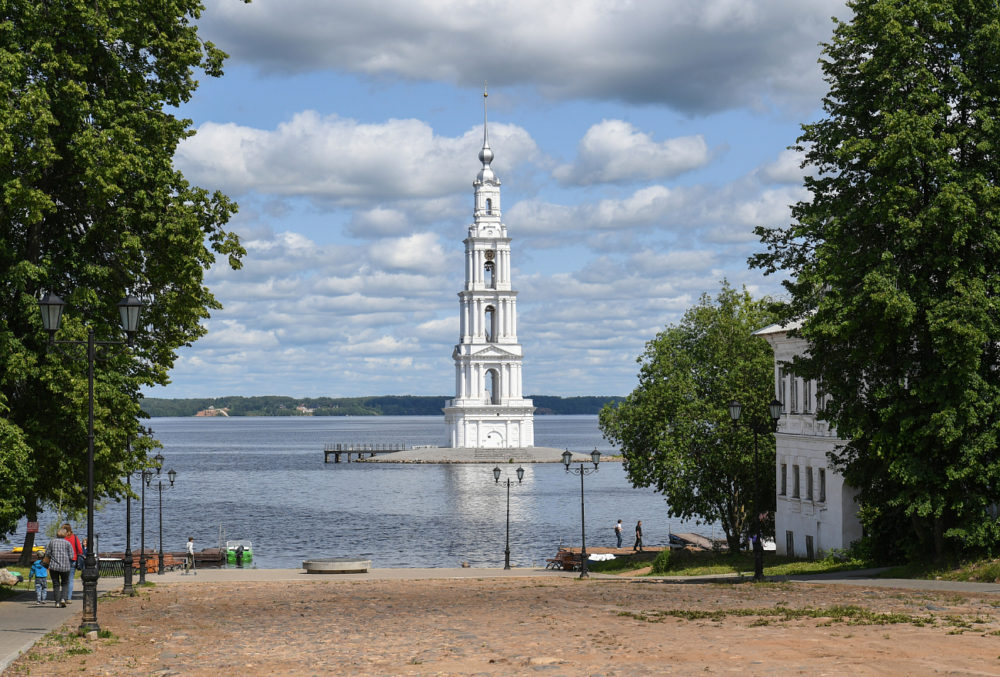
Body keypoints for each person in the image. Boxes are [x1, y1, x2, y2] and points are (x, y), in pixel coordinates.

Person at [45, 526, 74, 607]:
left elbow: (47, 553)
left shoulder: (52, 542)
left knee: (56, 584)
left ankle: (57, 602)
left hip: (53, 567)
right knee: (65, 583)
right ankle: (63, 599)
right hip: (65, 566)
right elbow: (71, 556)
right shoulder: (68, 543)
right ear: (65, 535)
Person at [62, 523, 83, 604]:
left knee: (64, 579)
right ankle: (69, 598)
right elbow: (80, 550)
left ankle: (63, 597)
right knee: (70, 579)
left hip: (63, 560)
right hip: (73, 560)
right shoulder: (74, 537)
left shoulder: (62, 538)